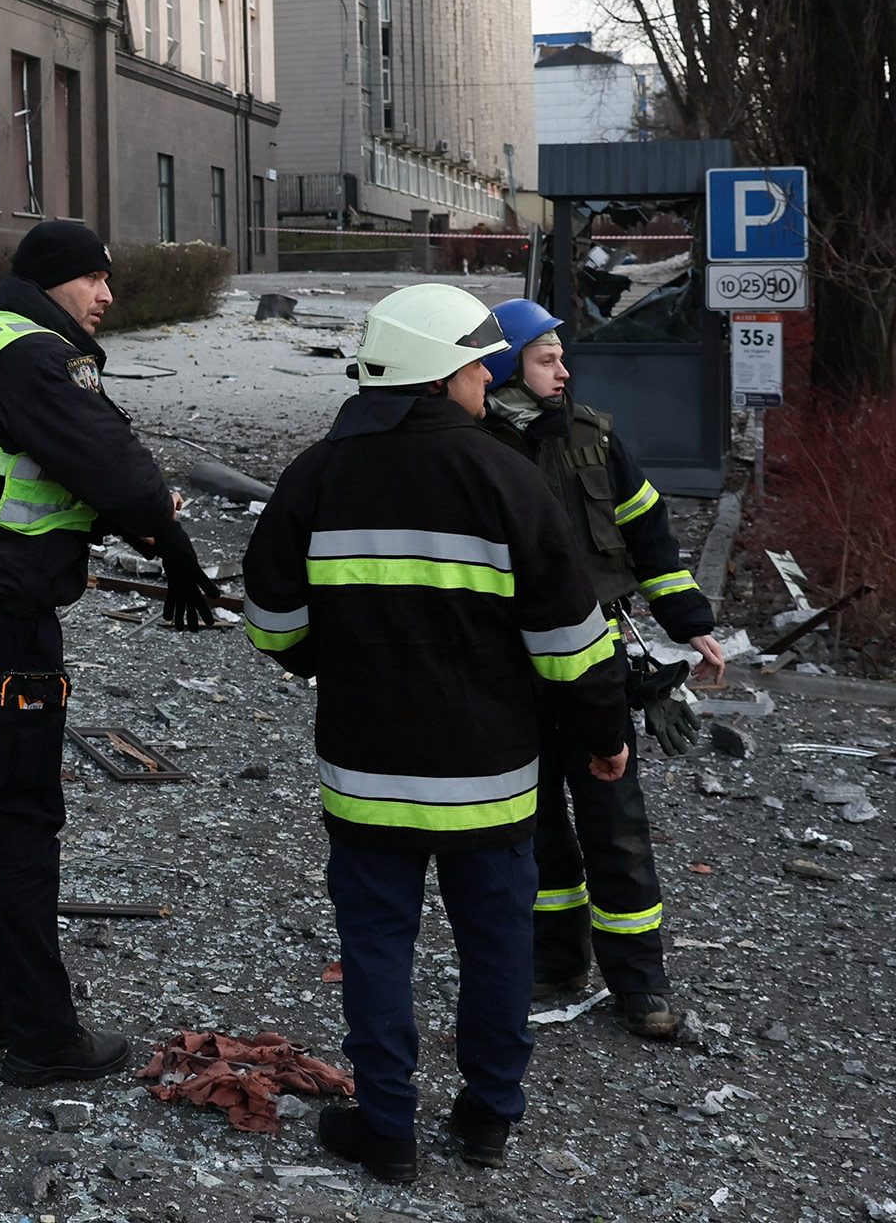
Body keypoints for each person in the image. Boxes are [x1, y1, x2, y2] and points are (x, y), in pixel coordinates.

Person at [241, 284, 629, 1184]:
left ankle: (387, 1129)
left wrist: (332, 662)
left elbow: (270, 621)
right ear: (437, 370)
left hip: (364, 770)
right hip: (490, 776)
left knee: (377, 944)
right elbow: (572, 640)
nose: (483, 382)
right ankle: (489, 1118)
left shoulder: (317, 473)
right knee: (498, 945)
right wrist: (602, 731)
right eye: (473, 366)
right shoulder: (506, 476)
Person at [0, 218, 219, 1088]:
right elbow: (118, 472)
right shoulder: (37, 356)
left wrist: (139, 519)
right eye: (94, 280)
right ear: (51, 282)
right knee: (21, 818)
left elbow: (39, 468)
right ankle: (42, 1037)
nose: (107, 295)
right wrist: (163, 523)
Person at [475, 299, 724, 1040]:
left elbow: (650, 537)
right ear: (502, 368)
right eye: (546, 358)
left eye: (560, 357)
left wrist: (693, 623)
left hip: (596, 664)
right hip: (507, 670)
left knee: (615, 821)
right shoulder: (470, 449)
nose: (563, 370)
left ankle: (640, 985)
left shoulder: (595, 440)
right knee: (537, 824)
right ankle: (556, 963)